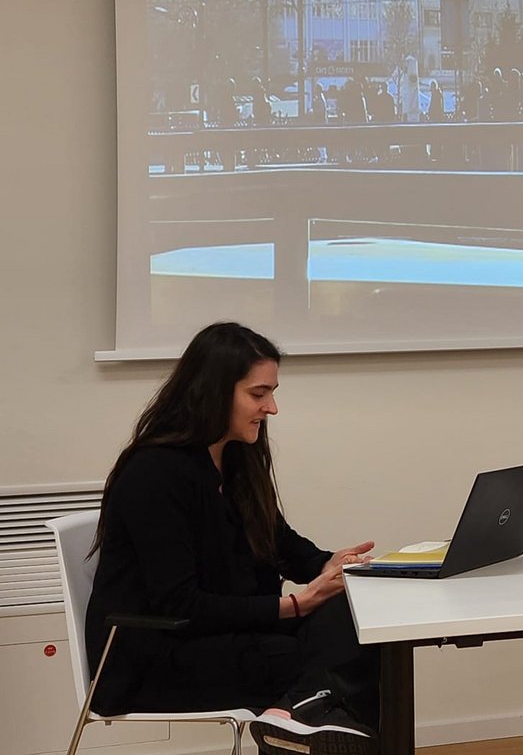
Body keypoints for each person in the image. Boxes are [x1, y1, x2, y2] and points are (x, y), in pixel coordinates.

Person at [86, 322, 380, 755]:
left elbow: (277, 542)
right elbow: (179, 603)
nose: (272, 408)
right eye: (258, 395)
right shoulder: (153, 473)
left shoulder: (237, 458)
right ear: (213, 392)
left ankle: (291, 717)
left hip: (223, 636)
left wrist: (332, 565)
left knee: (356, 623)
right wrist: (294, 605)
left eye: (272, 393)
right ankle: (296, 719)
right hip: (151, 654)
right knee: (305, 660)